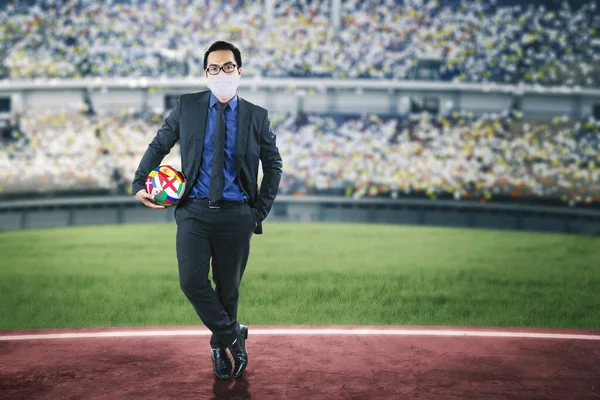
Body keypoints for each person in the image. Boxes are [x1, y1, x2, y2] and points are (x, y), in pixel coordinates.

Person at [132, 41, 283, 380]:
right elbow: (160, 143)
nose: (221, 73)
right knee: (192, 282)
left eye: (228, 66)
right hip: (194, 211)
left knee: (228, 290)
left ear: (239, 71)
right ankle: (232, 335)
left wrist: (258, 212)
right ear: (206, 74)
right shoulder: (187, 107)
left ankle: (219, 349)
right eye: (213, 68)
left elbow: (273, 165)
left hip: (237, 214)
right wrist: (139, 180)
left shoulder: (257, 116)